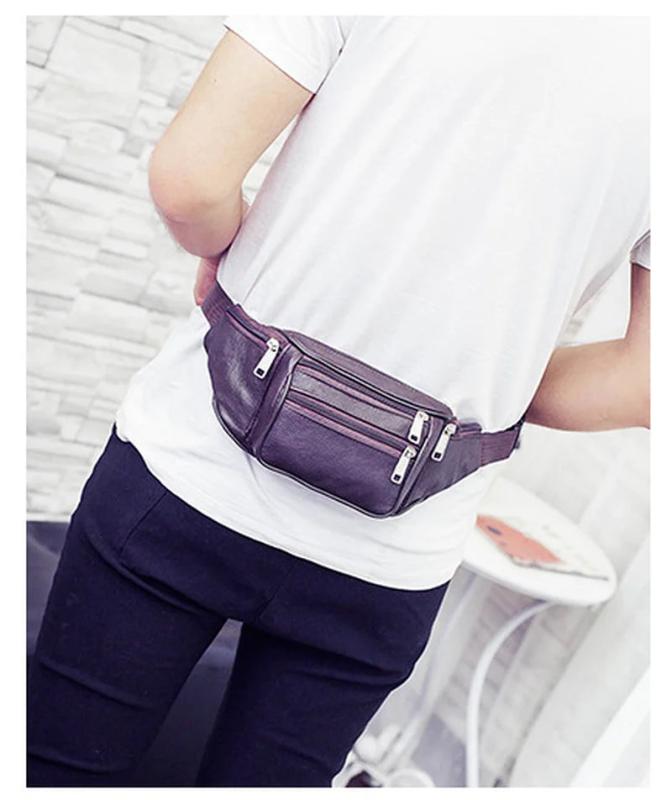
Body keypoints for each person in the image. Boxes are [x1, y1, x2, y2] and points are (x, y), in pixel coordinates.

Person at [27, 16, 649, 787]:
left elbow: (191, 178)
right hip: (391, 557)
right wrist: (465, 408)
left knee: (60, 772)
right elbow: (645, 379)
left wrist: (226, 255)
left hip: (193, 469)